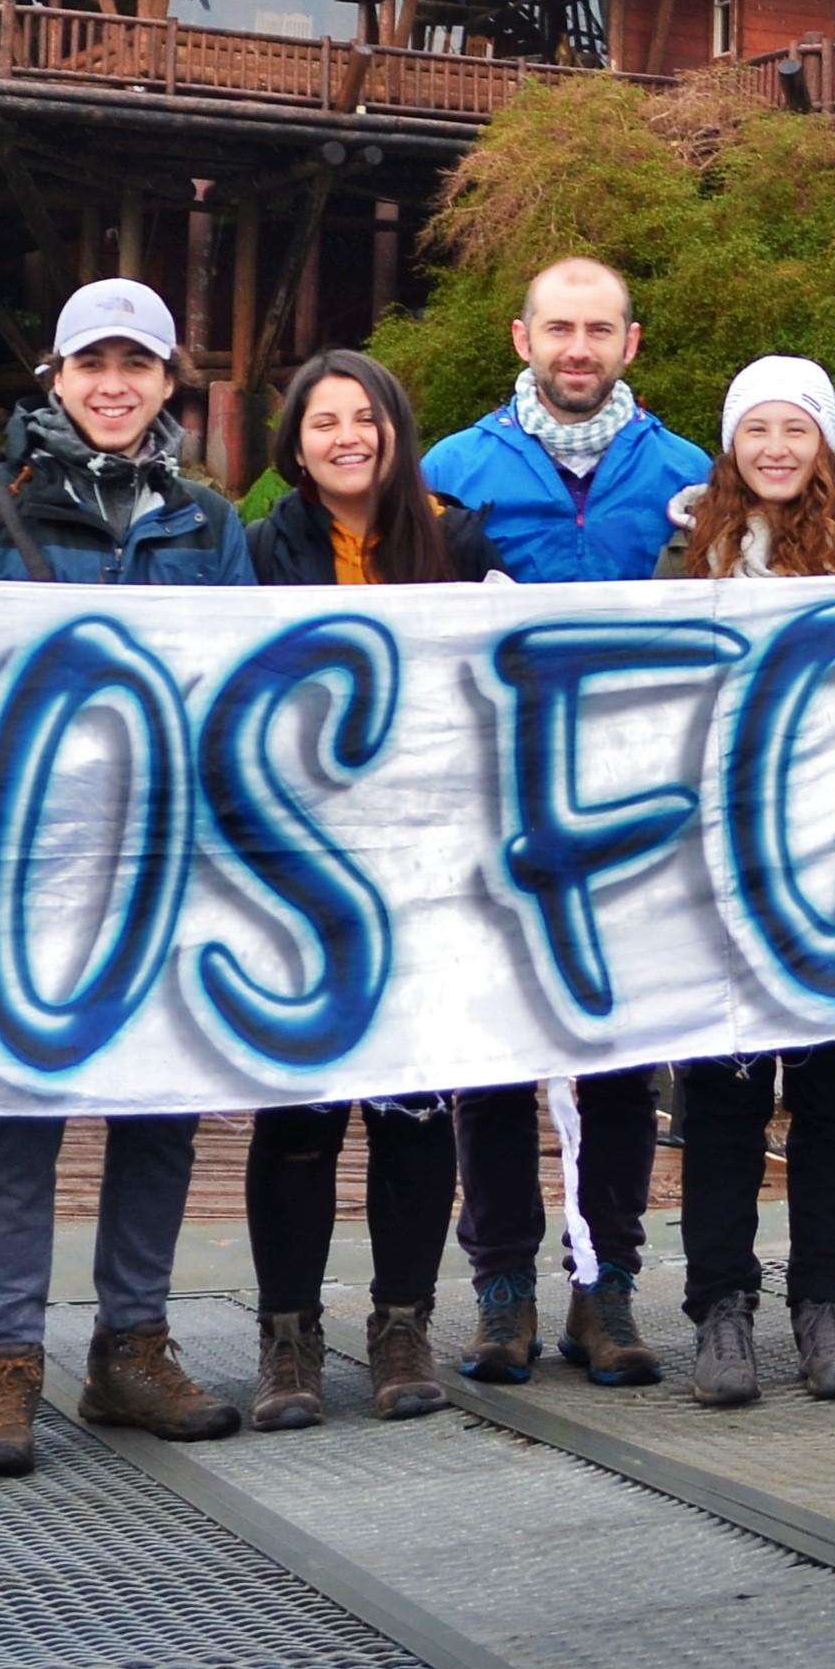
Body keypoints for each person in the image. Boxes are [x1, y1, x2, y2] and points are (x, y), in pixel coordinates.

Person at [0, 277, 255, 1475]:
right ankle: (2, 1366)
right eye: (90, 363)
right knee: (14, 1116)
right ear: (55, 376)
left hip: (160, 865)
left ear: (165, 384)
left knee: (159, 1111)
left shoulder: (209, 527)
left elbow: (246, 690)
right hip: (20, 869)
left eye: (135, 365)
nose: (112, 384)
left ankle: (130, 1348)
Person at [421, 256, 703, 1390]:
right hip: (492, 802)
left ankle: (609, 1287)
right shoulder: (448, 470)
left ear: (631, 342)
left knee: (621, 1057)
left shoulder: (689, 473)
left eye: (598, 329)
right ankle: (500, 1289)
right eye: (557, 329)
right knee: (490, 1055)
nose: (576, 348)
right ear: (519, 336)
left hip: (636, 808)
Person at [235, 350, 499, 1429]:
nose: (345, 437)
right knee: (296, 1106)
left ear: (395, 428)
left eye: (365, 418)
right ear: (294, 444)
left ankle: (401, 1322)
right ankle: (286, 1335)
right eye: (322, 422)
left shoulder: (458, 538)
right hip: (299, 865)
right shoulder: (259, 552)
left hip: (425, 861)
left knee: (413, 1102)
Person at [660, 355, 835, 1409]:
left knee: (827, 1090)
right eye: (753, 428)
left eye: (793, 429)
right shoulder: (682, 558)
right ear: (729, 444)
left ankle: (826, 1304)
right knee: (718, 1091)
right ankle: (721, 1308)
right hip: (717, 858)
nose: (773, 447)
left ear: (824, 443)